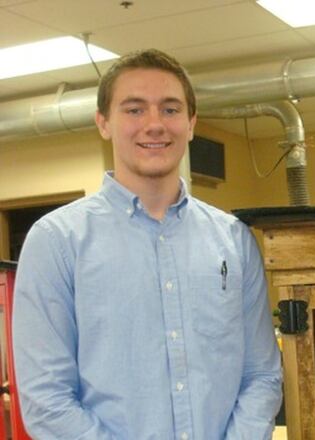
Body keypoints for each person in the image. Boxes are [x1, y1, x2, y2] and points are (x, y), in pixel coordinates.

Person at [12, 49, 283, 439]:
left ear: (191, 123)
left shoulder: (234, 241)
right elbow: (46, 399)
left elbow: (261, 375)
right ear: (103, 122)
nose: (154, 125)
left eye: (170, 110)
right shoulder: (56, 243)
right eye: (134, 110)